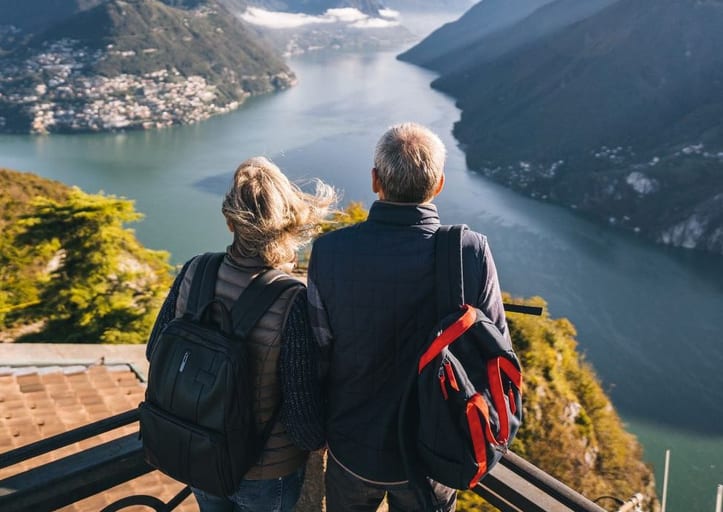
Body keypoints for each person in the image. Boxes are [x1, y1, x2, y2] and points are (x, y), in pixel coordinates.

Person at [307, 122, 510, 512]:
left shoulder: (330, 252)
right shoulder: (469, 252)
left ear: (374, 180)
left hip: (352, 446)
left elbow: (319, 349)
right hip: (432, 452)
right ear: (439, 186)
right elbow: (496, 351)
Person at [146, 156, 337, 512]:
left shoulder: (195, 270)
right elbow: (300, 411)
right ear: (288, 223)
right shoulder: (292, 299)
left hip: (199, 451)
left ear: (230, 222)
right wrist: (321, 440)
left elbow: (156, 351)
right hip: (266, 471)